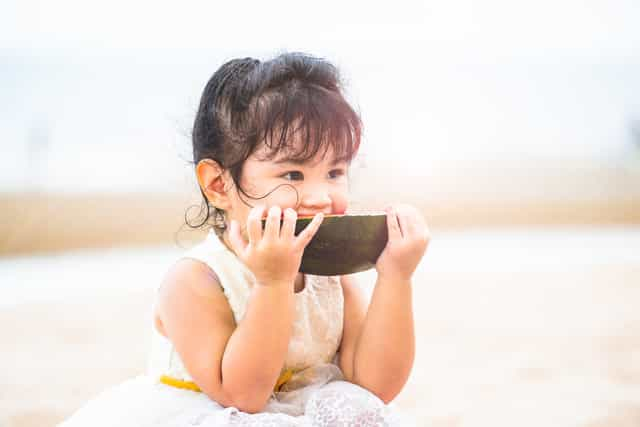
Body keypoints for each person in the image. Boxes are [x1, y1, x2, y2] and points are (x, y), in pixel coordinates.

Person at [59, 52, 430, 426]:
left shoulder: (332, 277)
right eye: (292, 175)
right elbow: (243, 395)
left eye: (335, 171)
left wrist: (396, 277)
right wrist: (273, 282)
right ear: (219, 185)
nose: (320, 195)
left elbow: (374, 385)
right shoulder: (196, 280)